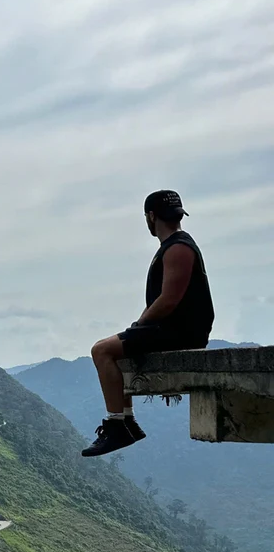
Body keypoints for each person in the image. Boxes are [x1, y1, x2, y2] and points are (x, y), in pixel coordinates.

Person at [82, 190, 215, 457]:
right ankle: (127, 420)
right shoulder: (176, 245)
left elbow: (168, 300)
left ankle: (117, 424)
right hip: (175, 330)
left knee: (102, 350)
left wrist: (139, 326)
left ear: (151, 217)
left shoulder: (178, 248)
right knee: (114, 349)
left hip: (179, 333)